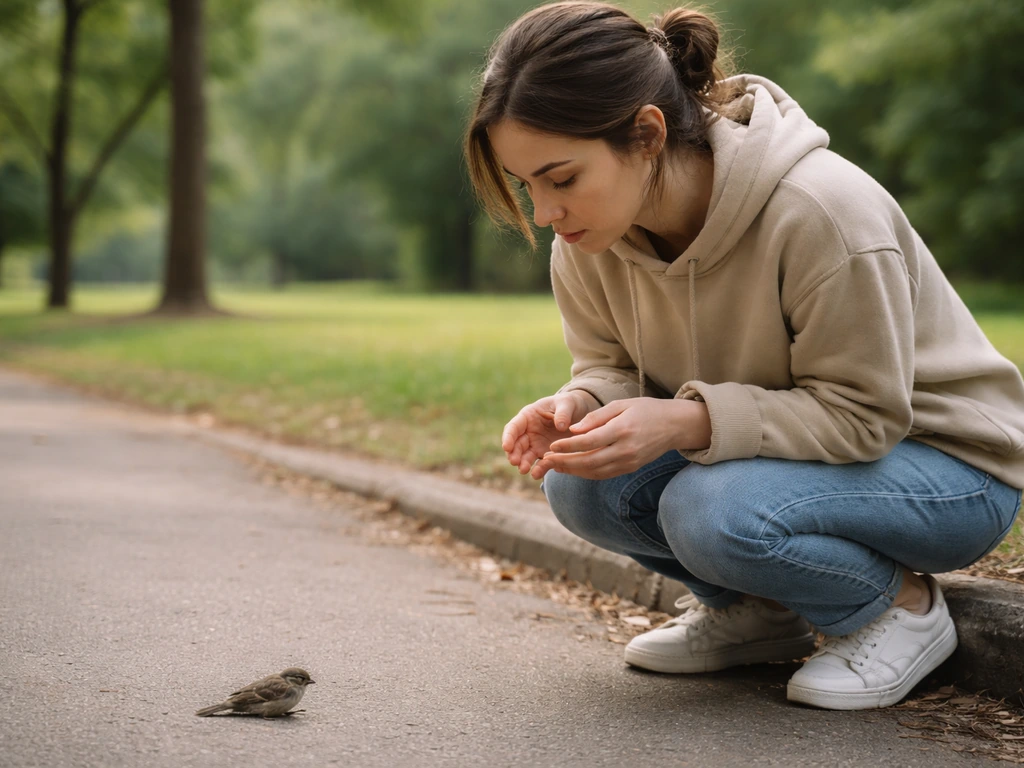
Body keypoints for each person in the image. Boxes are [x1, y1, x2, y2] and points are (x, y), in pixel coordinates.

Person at [463, 0, 1024, 711]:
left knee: (710, 507)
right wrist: (582, 405)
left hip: (950, 468)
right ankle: (758, 612)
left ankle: (900, 611)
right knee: (579, 484)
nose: (545, 214)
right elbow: (607, 364)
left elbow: (865, 417)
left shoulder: (820, 212)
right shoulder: (590, 244)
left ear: (646, 132)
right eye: (526, 185)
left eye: (562, 178)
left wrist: (684, 424)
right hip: (793, 460)